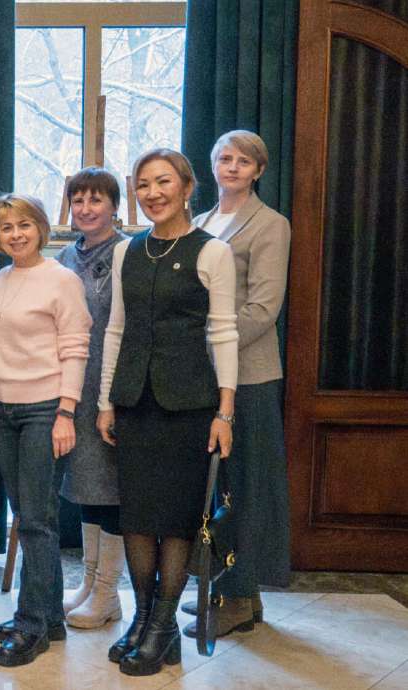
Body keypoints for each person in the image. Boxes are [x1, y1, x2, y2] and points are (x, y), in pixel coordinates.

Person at [97, 148, 238, 677]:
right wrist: (105, 401)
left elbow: (224, 332)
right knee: (136, 517)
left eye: (163, 182)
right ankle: (144, 620)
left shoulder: (212, 252)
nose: (152, 193)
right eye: (143, 184)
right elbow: (115, 329)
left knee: (176, 521)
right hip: (134, 403)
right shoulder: (125, 251)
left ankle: (163, 625)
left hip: (189, 406)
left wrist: (225, 411)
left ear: (186, 187)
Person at [181, 130, 291, 637]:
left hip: (248, 376)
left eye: (242, 161)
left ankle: (240, 594)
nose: (231, 167)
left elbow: (263, 310)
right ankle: (222, 584)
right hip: (206, 380)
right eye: (223, 158)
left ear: (258, 170)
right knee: (214, 488)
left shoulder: (270, 225)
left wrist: (206, 347)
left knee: (246, 486)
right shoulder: (199, 222)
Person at [0, 194, 92, 667]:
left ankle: (30, 626)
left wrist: (66, 412)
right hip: (4, 410)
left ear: (42, 229)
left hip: (46, 409)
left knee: (36, 519)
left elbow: (76, 348)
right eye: (6, 227)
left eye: (24, 225)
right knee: (26, 514)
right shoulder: (1, 278)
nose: (16, 234)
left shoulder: (62, 279)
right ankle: (50, 617)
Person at [55, 168, 126, 630]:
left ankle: (109, 594)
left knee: (112, 489)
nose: (86, 208)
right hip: (72, 388)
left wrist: (113, 398)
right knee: (84, 486)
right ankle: (89, 583)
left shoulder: (127, 251)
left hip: (111, 388)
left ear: (114, 206)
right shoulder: (63, 255)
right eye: (78, 200)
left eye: (96, 200)